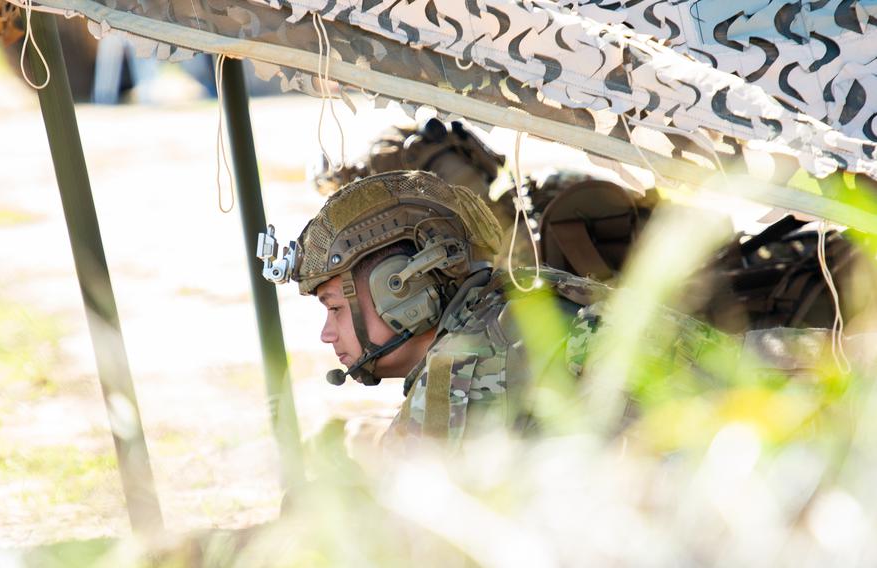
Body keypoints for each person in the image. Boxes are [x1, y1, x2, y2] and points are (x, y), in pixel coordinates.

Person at [259, 170, 732, 449]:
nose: (327, 333)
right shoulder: (515, 301)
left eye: (336, 308)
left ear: (401, 291)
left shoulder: (466, 361)